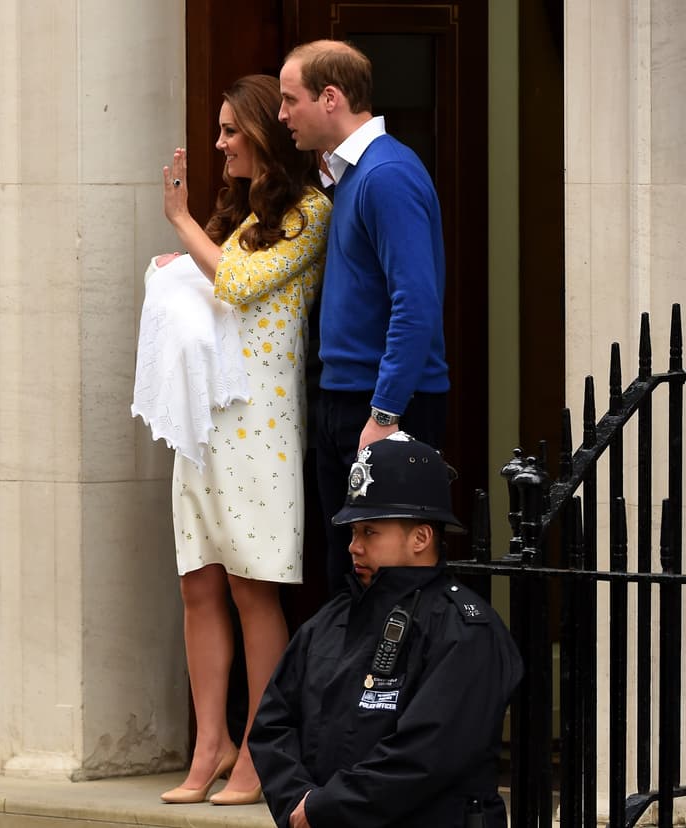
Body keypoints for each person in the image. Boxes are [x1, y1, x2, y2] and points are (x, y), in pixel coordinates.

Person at [156, 74, 331, 806]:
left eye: (232, 130)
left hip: (262, 428)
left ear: (261, 133)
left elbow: (239, 283)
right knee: (199, 586)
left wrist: (181, 225)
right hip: (205, 425)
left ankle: (261, 751)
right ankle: (210, 747)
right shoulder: (239, 216)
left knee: (251, 589)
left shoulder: (311, 213)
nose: (220, 142)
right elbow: (216, 286)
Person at [249, 432, 522, 827]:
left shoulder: (465, 629)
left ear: (421, 537)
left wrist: (324, 809)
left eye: (370, 532)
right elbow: (272, 723)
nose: (353, 547)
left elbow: (427, 754)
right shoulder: (331, 619)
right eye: (353, 532)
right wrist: (299, 803)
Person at [277, 40, 450, 596]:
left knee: (387, 579)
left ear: (330, 98)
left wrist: (384, 412)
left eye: (289, 99)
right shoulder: (353, 176)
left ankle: (393, 687)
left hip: (381, 407)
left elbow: (416, 301)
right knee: (346, 573)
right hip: (345, 399)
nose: (282, 116)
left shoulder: (387, 175)